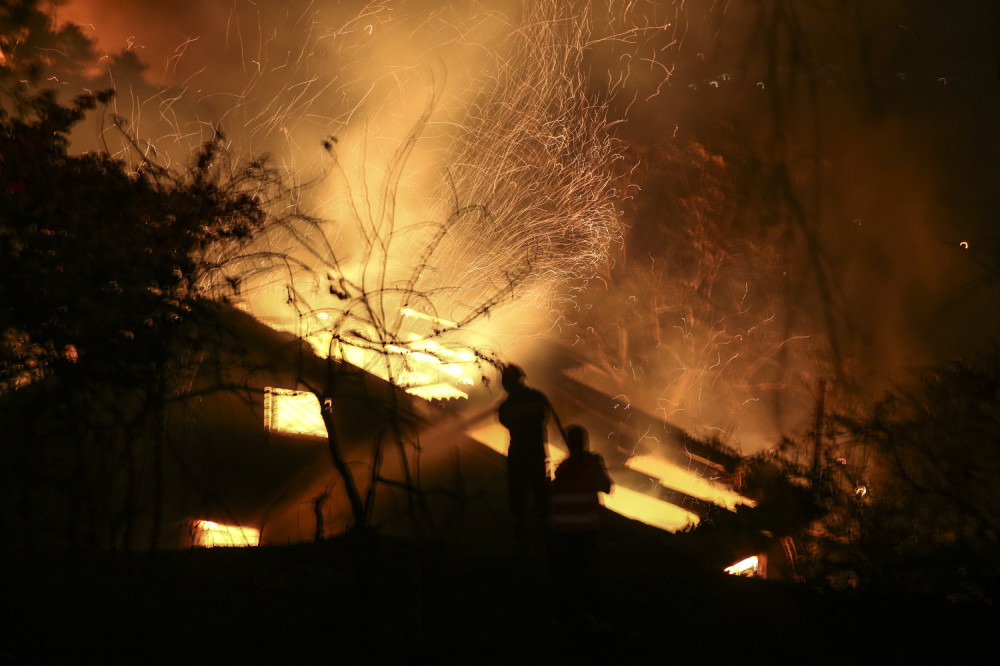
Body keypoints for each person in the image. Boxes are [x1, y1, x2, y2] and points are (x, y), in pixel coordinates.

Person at [549, 424, 613, 626]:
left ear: (568, 444)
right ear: (584, 442)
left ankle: (567, 617)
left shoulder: (562, 469)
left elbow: (553, 494)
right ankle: (592, 616)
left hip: (563, 533)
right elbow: (606, 487)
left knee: (568, 576)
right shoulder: (592, 462)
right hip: (587, 531)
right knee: (590, 574)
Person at [498, 364, 553, 547]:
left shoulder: (505, 407)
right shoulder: (537, 398)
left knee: (518, 503)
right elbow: (545, 417)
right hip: (536, 455)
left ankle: (521, 543)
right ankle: (547, 540)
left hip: (517, 458)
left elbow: (505, 420)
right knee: (541, 499)